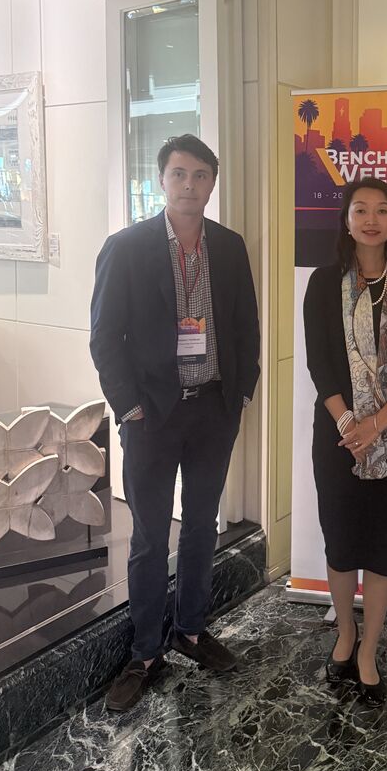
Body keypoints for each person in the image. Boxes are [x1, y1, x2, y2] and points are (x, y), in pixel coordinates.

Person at [90, 134, 260, 712]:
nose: (190, 185)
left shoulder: (229, 247)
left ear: (212, 183)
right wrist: (129, 407)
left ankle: (190, 629)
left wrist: (240, 393)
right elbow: (104, 338)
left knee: (201, 525)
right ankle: (144, 651)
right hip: (151, 415)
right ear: (162, 180)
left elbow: (245, 326)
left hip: (213, 408)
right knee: (148, 533)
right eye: (179, 174)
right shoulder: (127, 247)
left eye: (200, 175)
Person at [303, 178, 387, 707]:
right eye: (360, 210)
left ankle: (370, 646)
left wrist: (376, 425)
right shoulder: (323, 282)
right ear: (347, 220)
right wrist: (348, 424)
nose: (371, 219)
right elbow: (319, 361)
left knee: (382, 545)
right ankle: (346, 632)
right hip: (337, 436)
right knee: (341, 539)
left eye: (381, 210)